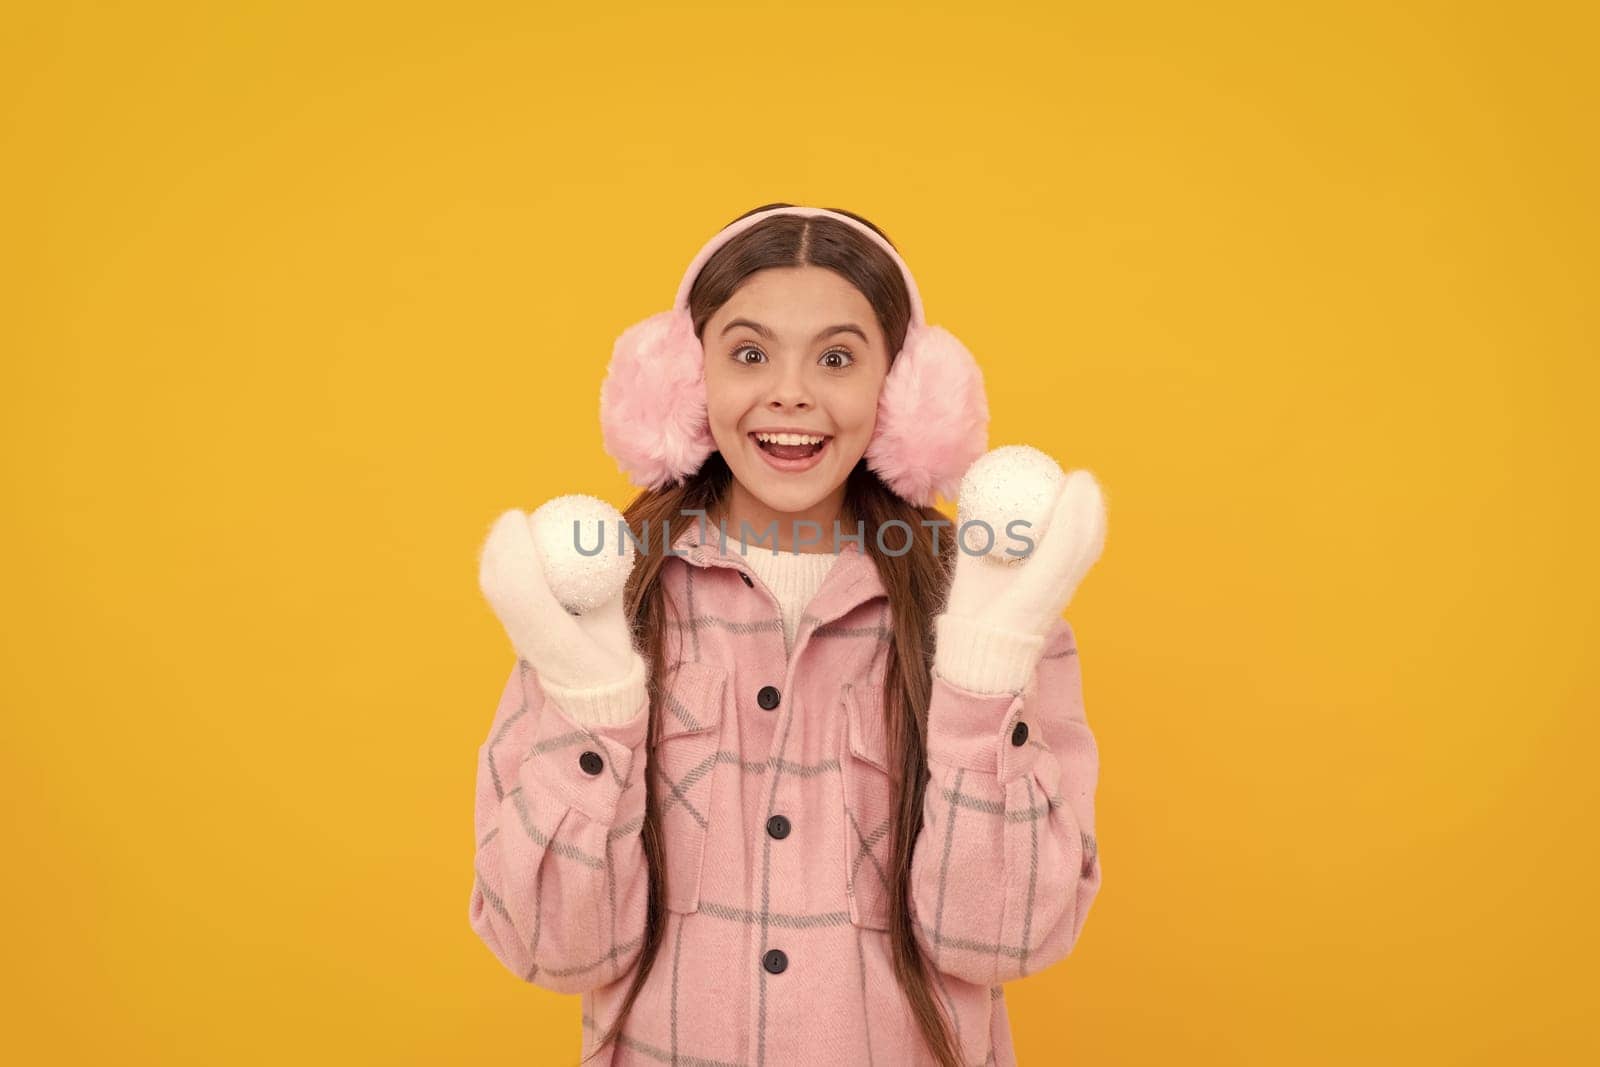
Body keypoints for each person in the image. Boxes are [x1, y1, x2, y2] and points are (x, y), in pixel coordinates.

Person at [470, 203, 1108, 1066]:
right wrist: (595, 714)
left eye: (838, 357)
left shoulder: (995, 606)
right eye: (748, 353)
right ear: (683, 381)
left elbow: (1000, 944)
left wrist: (982, 679)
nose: (791, 392)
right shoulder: (601, 605)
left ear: (904, 396)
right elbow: (553, 949)